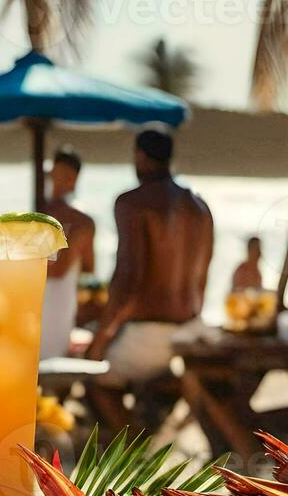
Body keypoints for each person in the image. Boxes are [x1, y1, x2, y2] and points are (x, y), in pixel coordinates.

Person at [87, 131, 212, 433]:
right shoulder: (199, 206)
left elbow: (128, 280)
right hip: (191, 329)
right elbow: (203, 277)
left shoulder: (133, 203)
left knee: (93, 378)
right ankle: (150, 433)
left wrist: (100, 341)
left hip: (149, 335)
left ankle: (131, 450)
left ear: (140, 156)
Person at [40, 147, 96, 359]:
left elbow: (62, 270)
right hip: (37, 299)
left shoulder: (80, 221)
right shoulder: (39, 212)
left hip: (57, 304)